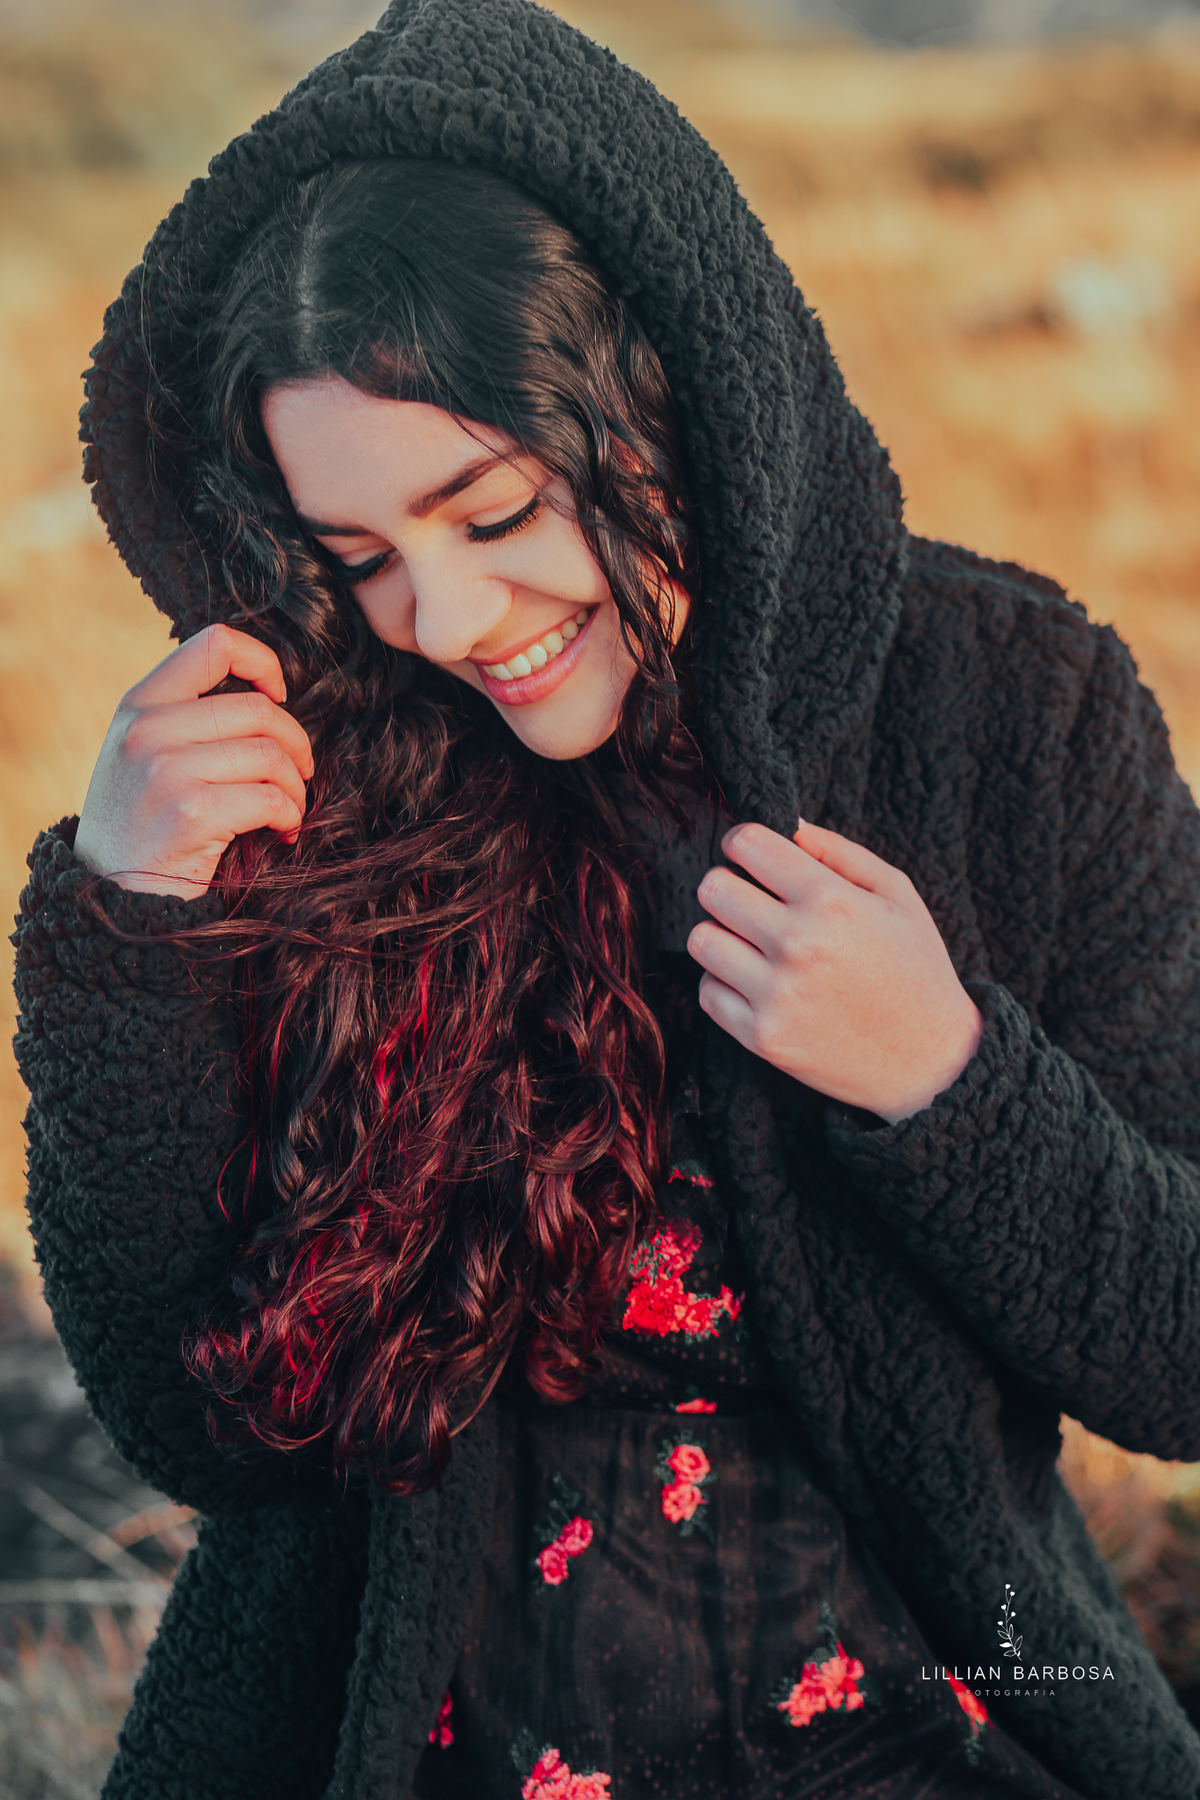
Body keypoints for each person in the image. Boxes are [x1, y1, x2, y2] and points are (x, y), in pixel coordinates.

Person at [12, 1, 1200, 1797]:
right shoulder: (314, 768)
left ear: (665, 387)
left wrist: (947, 1081)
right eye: (360, 557)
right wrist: (135, 925)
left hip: (944, 1710)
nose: (445, 619)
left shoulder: (1020, 714)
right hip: (408, 1743)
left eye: (491, 510)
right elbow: (191, 1425)